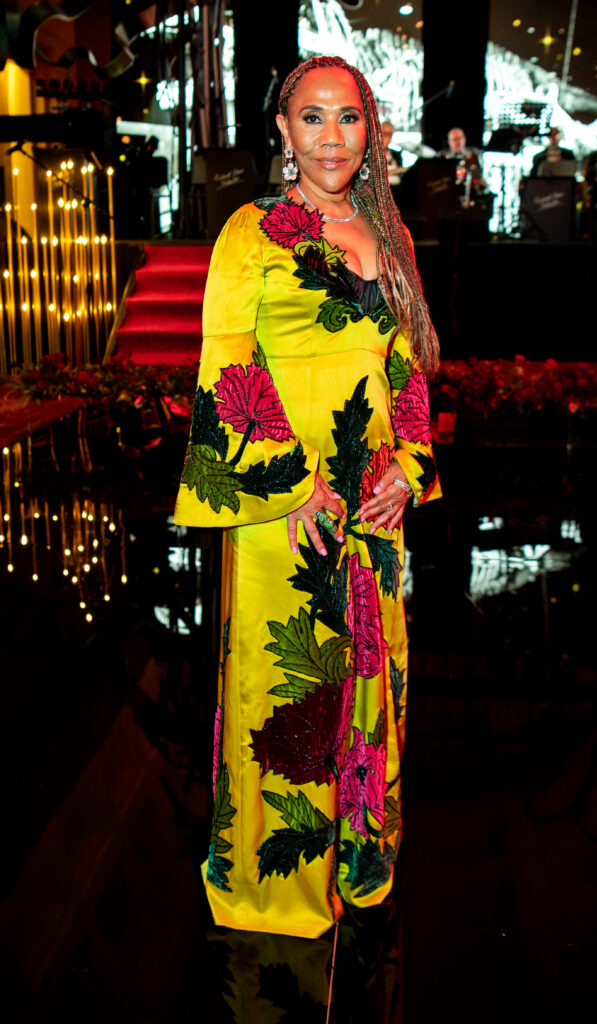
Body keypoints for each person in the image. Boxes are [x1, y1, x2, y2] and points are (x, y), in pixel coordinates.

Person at [174, 55, 441, 940]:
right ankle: (275, 885)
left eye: (349, 118)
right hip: (282, 506)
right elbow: (227, 362)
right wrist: (288, 489)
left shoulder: (386, 233)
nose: (333, 136)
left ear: (371, 133)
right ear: (282, 133)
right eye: (313, 118)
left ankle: (356, 862)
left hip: (372, 503)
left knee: (371, 677)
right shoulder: (252, 231)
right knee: (290, 691)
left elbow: (404, 364)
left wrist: (409, 461)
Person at [381, 119, 404, 188]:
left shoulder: (396, 154)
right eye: (385, 134)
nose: (387, 137)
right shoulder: (369, 155)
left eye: (390, 134)